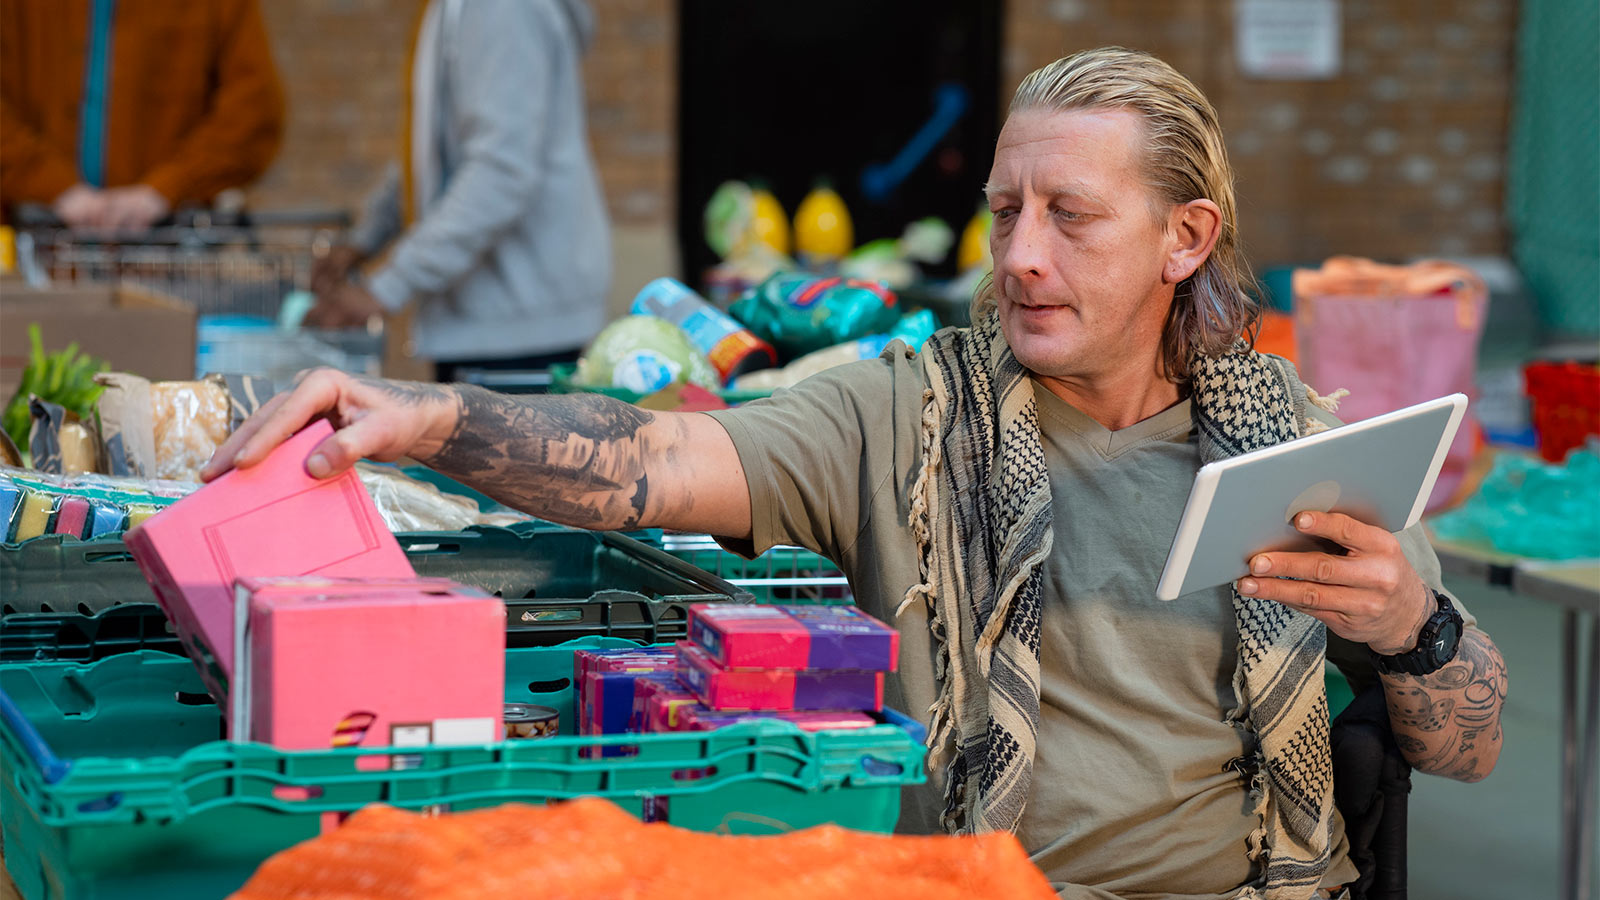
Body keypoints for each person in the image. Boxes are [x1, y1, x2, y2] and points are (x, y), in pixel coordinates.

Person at [207, 48, 1507, 900]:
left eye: (1072, 215)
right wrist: (426, 419)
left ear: (1185, 238)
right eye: (1005, 211)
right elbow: (651, 459)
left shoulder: (1294, 437)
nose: (1022, 254)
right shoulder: (906, 413)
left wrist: (1412, 626)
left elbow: (1474, 741)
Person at [305, 0, 611, 384]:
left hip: (514, 326)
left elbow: (500, 173)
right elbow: (436, 152)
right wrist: (366, 239)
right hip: (497, 319)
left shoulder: (501, 9)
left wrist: (385, 287)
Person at [0, 0, 285, 232]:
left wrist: (165, 189)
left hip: (162, 251)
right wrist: (49, 184)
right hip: (26, 241)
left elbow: (254, 112)